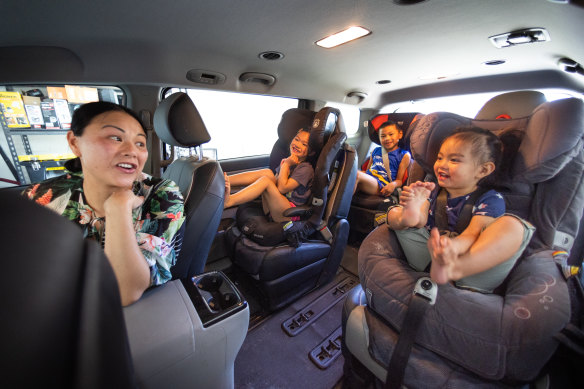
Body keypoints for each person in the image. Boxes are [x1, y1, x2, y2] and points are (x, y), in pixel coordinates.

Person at [23, 101, 185, 306]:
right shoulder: (41, 196)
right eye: (116, 138)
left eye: (140, 143)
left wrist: (118, 208)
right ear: (75, 142)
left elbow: (125, 291)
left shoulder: (161, 195)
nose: (131, 151)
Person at [386, 127, 534, 293]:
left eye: (454, 160)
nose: (442, 164)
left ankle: (453, 268)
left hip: (471, 270)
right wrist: (412, 210)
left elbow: (473, 234)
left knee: (514, 225)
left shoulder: (490, 199)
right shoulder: (432, 190)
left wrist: (452, 249)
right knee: (395, 211)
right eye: (440, 157)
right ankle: (405, 218)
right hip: (428, 258)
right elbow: (421, 221)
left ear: (483, 170)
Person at [223, 128, 313, 222]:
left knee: (265, 181)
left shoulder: (305, 169)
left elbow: (282, 188)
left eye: (304, 144)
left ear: (311, 151)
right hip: (274, 207)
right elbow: (276, 182)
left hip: (290, 214)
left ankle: (229, 201)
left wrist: (286, 165)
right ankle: (223, 180)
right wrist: (284, 167)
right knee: (268, 173)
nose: (297, 144)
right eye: (297, 139)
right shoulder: (290, 161)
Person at [354, 120, 410, 197]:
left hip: (381, 185)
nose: (387, 138)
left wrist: (392, 185)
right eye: (383, 136)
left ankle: (340, 205)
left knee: (356, 175)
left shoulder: (404, 155)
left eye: (391, 134)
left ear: (400, 135)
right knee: (351, 173)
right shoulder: (375, 150)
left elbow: (399, 180)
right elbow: (367, 171)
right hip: (369, 179)